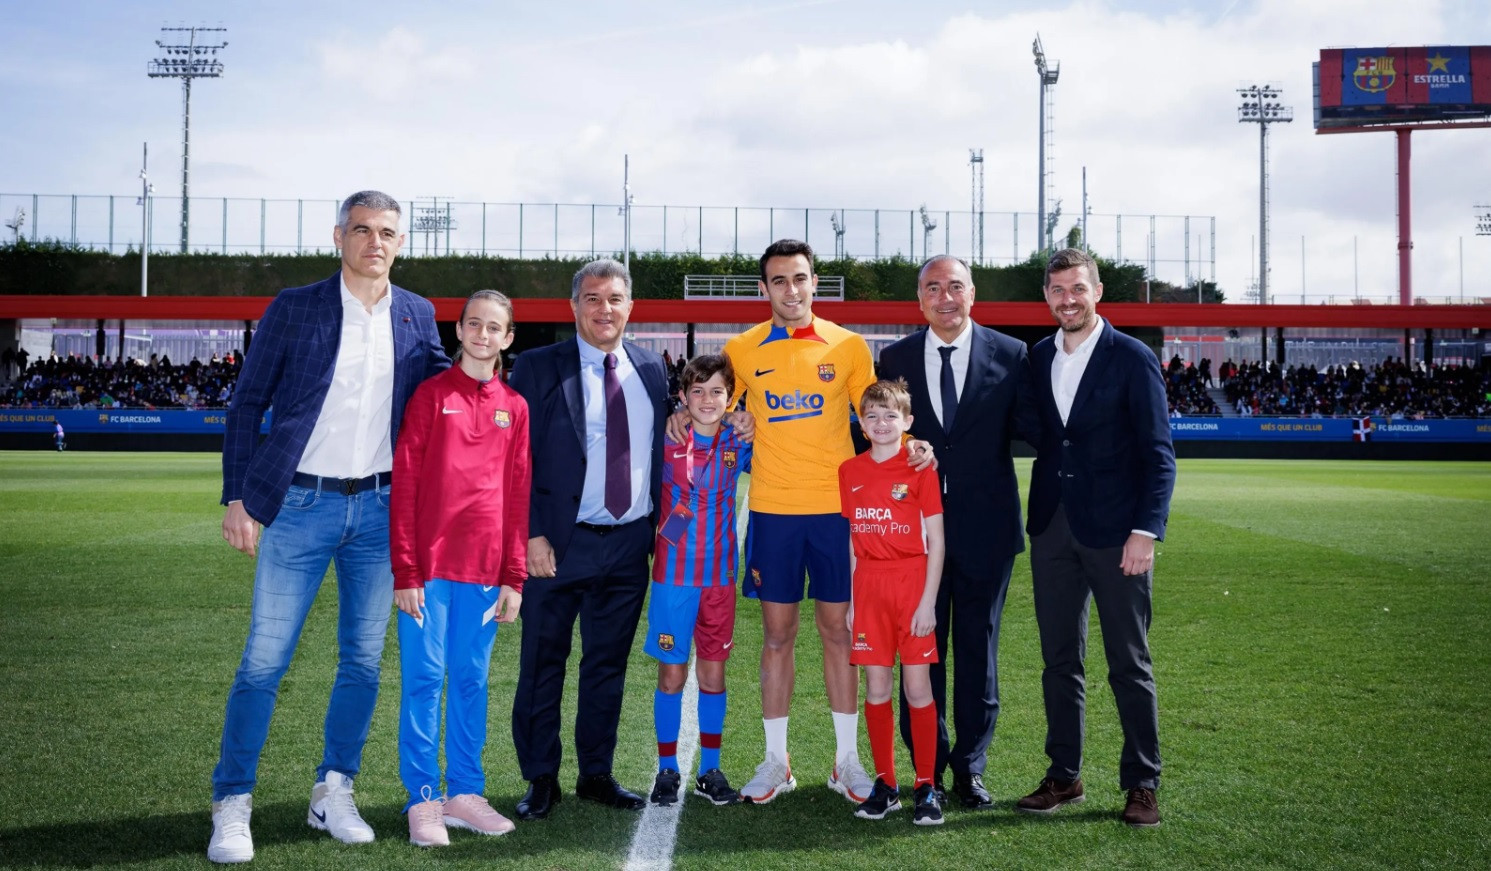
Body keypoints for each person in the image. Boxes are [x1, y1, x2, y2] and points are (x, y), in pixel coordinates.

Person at [209, 191, 449, 864]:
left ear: (400, 243)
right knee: (263, 660)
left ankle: (333, 789)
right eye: (364, 230)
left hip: (379, 510)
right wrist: (238, 496)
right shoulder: (296, 306)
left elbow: (438, 396)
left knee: (363, 661)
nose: (376, 242)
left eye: (388, 233)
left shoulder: (417, 313)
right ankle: (232, 800)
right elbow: (247, 401)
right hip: (299, 507)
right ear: (339, 236)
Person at [717, 239, 932, 806]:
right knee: (777, 636)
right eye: (779, 281)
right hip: (772, 511)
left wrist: (914, 446)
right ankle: (775, 760)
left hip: (839, 515)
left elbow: (878, 418)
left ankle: (846, 762)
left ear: (815, 283)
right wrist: (730, 419)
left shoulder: (849, 345)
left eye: (800, 279)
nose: (791, 290)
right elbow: (715, 409)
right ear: (763, 289)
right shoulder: (741, 349)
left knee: (840, 633)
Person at [1015, 247, 1176, 828]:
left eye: (1077, 288)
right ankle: (1064, 775)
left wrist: (1146, 531)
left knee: (1128, 662)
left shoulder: (1133, 358)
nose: (1067, 299)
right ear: (1047, 298)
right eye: (1057, 290)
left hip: (1118, 535)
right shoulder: (1036, 358)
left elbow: (1159, 454)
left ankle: (1142, 782)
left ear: (1097, 291)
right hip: (1053, 528)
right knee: (1059, 661)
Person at [508, 258, 672, 821]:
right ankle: (540, 778)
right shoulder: (536, 366)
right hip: (558, 543)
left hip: (628, 544)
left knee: (607, 665)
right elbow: (516, 460)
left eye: (615, 298)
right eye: (594, 298)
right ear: (574, 306)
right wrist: (530, 532)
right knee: (542, 663)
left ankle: (596, 773)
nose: (606, 309)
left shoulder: (651, 368)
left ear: (631, 307)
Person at [875, 255, 1035, 810]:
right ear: (919, 299)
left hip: (987, 532)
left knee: (977, 649)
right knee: (920, 652)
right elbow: (873, 435)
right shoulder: (893, 358)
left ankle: (969, 766)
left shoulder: (1013, 355)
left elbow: (1039, 428)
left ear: (974, 294)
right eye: (933, 288)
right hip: (913, 536)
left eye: (956, 287)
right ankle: (926, 767)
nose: (945, 296)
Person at [390, 290, 529, 846]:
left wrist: (514, 577)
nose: (483, 334)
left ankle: (465, 794)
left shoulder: (514, 407)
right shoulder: (430, 395)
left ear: (507, 337)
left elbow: (518, 496)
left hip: (485, 573)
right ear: (460, 329)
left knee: (470, 681)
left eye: (494, 327)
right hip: (428, 570)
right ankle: (423, 799)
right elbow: (404, 485)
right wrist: (405, 571)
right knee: (424, 680)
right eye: (474, 324)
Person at [645, 354, 753, 808]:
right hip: (673, 576)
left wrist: (752, 421)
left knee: (712, 673)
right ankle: (667, 768)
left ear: (730, 399)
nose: (707, 400)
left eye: (717, 392)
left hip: (719, 578)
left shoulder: (739, 439)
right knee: (671, 674)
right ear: (683, 396)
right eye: (697, 391)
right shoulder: (666, 436)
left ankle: (710, 768)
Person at [838, 379, 945, 826]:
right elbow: (850, 538)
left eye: (891, 416)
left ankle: (926, 786)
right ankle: (886, 784)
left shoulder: (920, 467)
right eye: (873, 416)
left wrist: (928, 603)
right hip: (870, 588)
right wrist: (850, 600)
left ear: (908, 422)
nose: (882, 424)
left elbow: (937, 541)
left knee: (917, 688)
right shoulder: (850, 471)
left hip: (911, 583)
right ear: (861, 424)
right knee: (877, 688)